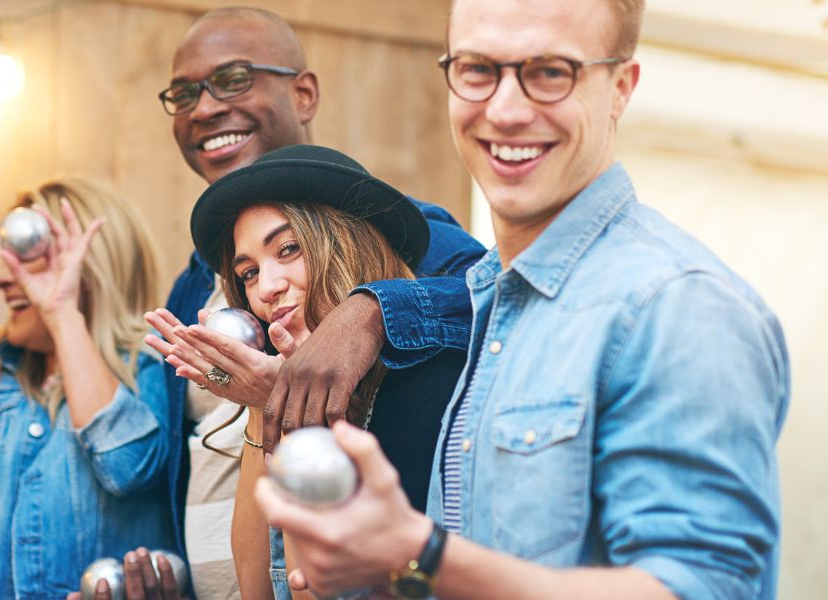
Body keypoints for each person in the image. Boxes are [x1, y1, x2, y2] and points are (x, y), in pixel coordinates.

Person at [254, 1, 789, 599]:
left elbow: (699, 588)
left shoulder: (679, 305)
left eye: (550, 71)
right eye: (479, 69)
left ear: (620, 87)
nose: (505, 110)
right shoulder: (493, 296)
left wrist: (421, 552)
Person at [134, 7, 486, 600]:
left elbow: (489, 301)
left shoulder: (403, 234)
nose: (205, 107)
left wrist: (371, 309)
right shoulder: (195, 284)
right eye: (185, 93)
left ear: (303, 94)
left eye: (235, 78)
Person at [165, 143, 469, 598]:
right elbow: (258, 587)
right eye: (248, 273)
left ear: (349, 240)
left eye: (288, 248)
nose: (267, 287)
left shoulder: (436, 379)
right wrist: (261, 402)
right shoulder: (289, 382)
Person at [0, 175, 177, 597]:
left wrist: (62, 313)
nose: (2, 278)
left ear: (92, 263)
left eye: (26, 253)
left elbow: (127, 468)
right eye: (3, 257)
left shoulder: (150, 367)